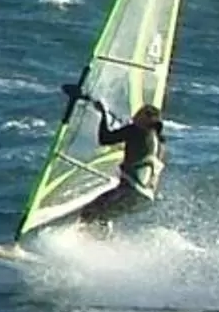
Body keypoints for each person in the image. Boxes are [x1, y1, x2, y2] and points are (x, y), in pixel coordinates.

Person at [62, 84, 164, 225]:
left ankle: (79, 239)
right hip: (145, 197)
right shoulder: (158, 140)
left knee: (89, 212)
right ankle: (100, 240)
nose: (135, 115)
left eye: (140, 113)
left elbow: (105, 138)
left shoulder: (136, 130)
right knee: (102, 215)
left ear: (148, 119)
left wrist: (103, 113)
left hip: (131, 192)